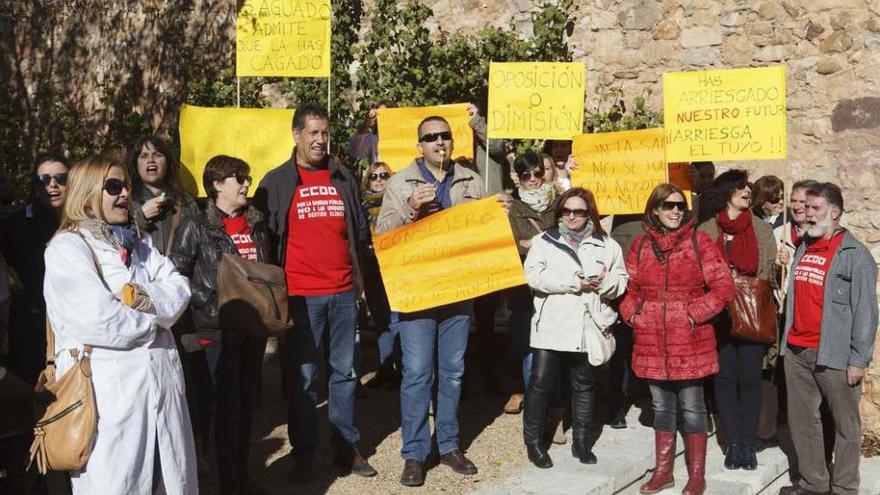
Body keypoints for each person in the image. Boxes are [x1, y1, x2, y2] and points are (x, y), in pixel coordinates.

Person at [43, 154, 195, 494]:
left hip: (161, 391)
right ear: (86, 196)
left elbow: (179, 290)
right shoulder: (67, 250)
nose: (125, 193)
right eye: (113, 187)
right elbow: (102, 321)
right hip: (112, 403)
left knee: (168, 480)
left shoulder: (140, 245)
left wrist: (135, 300)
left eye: (125, 185)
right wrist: (157, 322)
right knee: (119, 483)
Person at [255, 103, 374, 481]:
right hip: (301, 299)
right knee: (304, 380)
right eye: (313, 133)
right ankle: (304, 453)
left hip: (341, 295)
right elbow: (263, 240)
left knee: (345, 373)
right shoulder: (275, 182)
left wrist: (358, 282)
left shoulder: (342, 178)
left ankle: (345, 447)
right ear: (296, 135)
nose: (320, 140)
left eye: (324, 132)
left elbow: (358, 232)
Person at [376, 115, 491, 487]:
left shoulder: (472, 181)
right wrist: (410, 206)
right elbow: (383, 234)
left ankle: (449, 444)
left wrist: (496, 215)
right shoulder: (399, 182)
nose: (439, 142)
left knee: (453, 371)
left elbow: (483, 233)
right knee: (417, 372)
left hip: (457, 290)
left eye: (445, 135)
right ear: (419, 145)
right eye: (431, 137)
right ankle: (414, 453)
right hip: (417, 290)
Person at [619, 183, 734, 495]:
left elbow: (724, 287)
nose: (674, 211)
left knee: (693, 406)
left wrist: (693, 313)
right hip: (651, 338)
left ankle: (697, 475)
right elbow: (628, 289)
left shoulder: (701, 242)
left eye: (679, 206)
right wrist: (634, 315)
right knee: (661, 406)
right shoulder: (641, 246)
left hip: (691, 340)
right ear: (654, 209)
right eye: (668, 206)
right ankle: (664, 471)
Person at [169, 155, 269, 494]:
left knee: (245, 406)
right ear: (216, 185)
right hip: (216, 328)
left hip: (252, 329)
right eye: (238, 177)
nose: (245, 184)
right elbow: (175, 273)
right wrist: (207, 300)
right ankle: (228, 483)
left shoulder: (257, 223)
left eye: (247, 177)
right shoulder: (197, 225)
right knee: (225, 409)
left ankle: (241, 476)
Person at [778, 183, 878, 495]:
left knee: (846, 426)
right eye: (806, 208)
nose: (806, 214)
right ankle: (814, 484)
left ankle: (845, 488)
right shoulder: (804, 247)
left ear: (834, 212)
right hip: (796, 350)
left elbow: (866, 311)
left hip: (834, 355)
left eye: (814, 208)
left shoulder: (855, 254)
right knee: (804, 423)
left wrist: (858, 359)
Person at [521, 187, 627, 469]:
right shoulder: (544, 241)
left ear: (588, 213)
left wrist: (605, 282)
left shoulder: (607, 244)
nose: (571, 216)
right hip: (552, 324)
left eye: (578, 211)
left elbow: (621, 280)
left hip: (586, 324)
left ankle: (581, 441)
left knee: (583, 383)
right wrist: (573, 282)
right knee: (540, 383)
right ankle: (533, 442)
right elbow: (533, 276)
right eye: (566, 210)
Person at [698, 169, 777, 470]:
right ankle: (732, 443)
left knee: (750, 379)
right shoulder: (706, 229)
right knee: (725, 380)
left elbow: (767, 274)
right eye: (741, 187)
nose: (747, 191)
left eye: (748, 187)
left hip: (750, 314)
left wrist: (749, 278)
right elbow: (698, 270)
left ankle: (748, 443)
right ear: (727, 191)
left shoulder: (761, 228)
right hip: (718, 317)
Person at [0, 153, 70, 385]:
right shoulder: (13, 225)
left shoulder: (84, 222)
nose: (52, 184)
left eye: (61, 178)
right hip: (31, 331)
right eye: (44, 179)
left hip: (74, 327)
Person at [503, 151, 557, 414]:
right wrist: (528, 244)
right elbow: (507, 245)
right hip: (524, 289)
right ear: (518, 179)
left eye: (538, 173)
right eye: (527, 176)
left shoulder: (559, 203)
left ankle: (551, 406)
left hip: (556, 288)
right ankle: (533, 405)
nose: (533, 180)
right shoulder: (511, 208)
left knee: (552, 349)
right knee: (526, 346)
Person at [129, 135, 200, 255]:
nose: (151, 160)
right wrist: (140, 216)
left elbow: (201, 243)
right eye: (144, 156)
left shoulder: (186, 202)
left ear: (167, 164)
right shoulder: (125, 201)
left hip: (178, 272)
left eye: (158, 155)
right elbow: (115, 242)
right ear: (136, 165)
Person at [360, 162, 397, 388]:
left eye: (384, 175)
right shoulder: (362, 205)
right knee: (380, 321)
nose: (379, 179)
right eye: (374, 176)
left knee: (396, 321)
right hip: (371, 265)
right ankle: (386, 368)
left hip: (393, 265)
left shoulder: (396, 202)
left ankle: (402, 369)